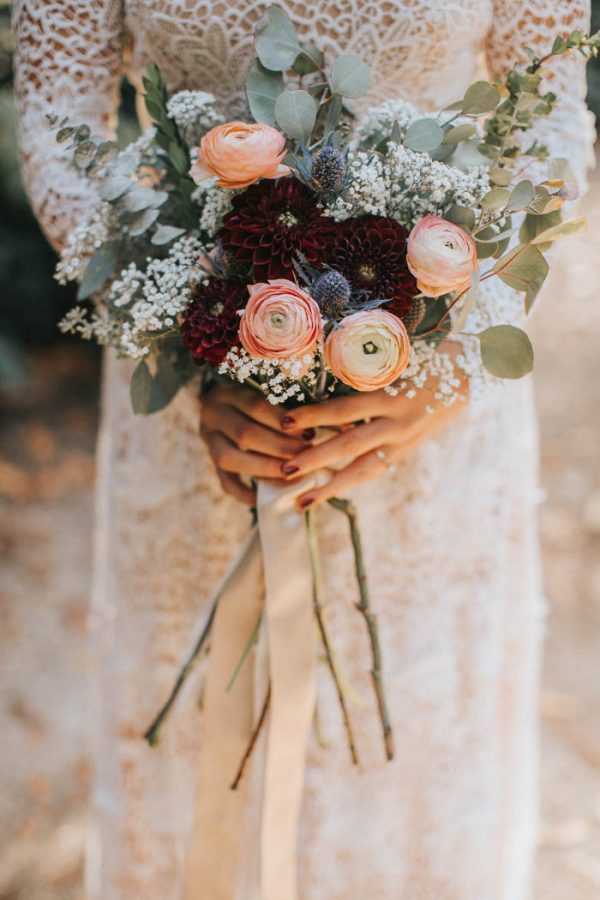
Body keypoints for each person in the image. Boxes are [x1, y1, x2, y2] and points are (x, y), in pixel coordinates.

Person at [12, 1, 595, 898]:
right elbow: (60, 123)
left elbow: (550, 105)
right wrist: (183, 341)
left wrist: (457, 361)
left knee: (416, 773)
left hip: (431, 416)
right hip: (203, 405)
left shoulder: (447, 374)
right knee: (201, 751)